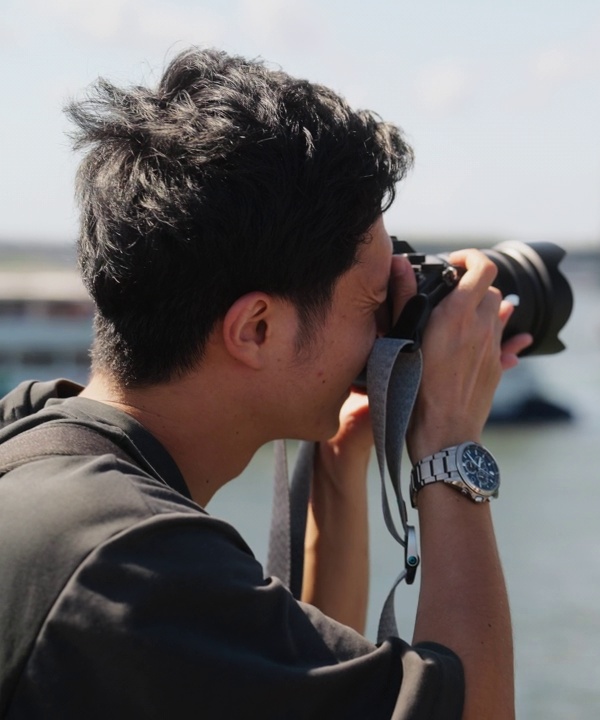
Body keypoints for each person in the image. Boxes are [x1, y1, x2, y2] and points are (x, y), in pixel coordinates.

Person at [0, 47, 524, 718]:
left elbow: (289, 683)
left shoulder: (34, 442)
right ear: (256, 329)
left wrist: (339, 462)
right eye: (371, 301)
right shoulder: (129, 561)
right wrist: (449, 440)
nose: (384, 326)